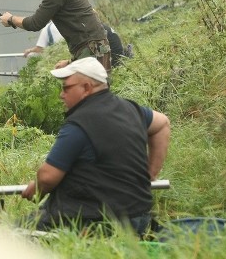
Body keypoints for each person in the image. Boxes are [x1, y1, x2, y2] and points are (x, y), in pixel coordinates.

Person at [21, 57, 170, 237]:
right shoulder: (131, 109)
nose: (62, 94)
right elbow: (162, 123)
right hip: (140, 218)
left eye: (66, 88)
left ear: (86, 88)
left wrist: (36, 190)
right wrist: (150, 175)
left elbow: (47, 177)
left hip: (93, 223)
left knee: (12, 234)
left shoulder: (78, 125)